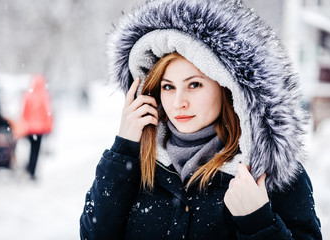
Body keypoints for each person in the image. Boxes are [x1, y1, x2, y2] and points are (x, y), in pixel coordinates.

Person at [80, 0, 322, 239]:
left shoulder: (270, 171)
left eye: (194, 84)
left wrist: (259, 223)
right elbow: (93, 234)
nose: (178, 103)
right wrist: (123, 148)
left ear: (227, 87)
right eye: (168, 87)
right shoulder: (138, 160)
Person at [19, 74, 53, 179]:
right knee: (36, 151)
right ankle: (32, 170)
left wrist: (23, 125)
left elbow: (24, 113)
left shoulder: (28, 95)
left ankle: (29, 167)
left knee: (30, 149)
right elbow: (48, 114)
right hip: (39, 130)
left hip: (29, 129)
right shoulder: (44, 96)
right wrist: (49, 128)